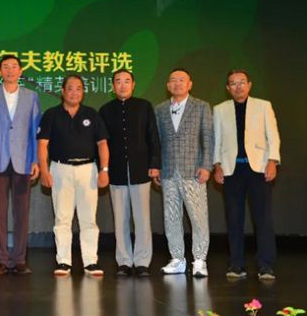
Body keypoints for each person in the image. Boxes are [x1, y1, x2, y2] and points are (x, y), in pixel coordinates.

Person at [37, 75, 110, 277]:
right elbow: (42, 145)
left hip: (88, 170)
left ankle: (91, 261)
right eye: (70, 88)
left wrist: (104, 170)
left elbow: (102, 144)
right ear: (63, 91)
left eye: (79, 88)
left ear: (83, 92)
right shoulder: (51, 114)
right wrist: (44, 170)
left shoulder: (91, 114)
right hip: (60, 169)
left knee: (89, 218)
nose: (74, 92)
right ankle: (63, 262)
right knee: (62, 218)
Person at [213, 70, 280, 280]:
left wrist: (273, 161)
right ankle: (236, 264)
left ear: (249, 85)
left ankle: (266, 265)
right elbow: (217, 140)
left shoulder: (263, 106)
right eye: (233, 83)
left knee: (263, 219)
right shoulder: (219, 109)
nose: (238, 86)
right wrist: (217, 165)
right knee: (234, 219)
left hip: (259, 169)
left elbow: (273, 136)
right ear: (228, 88)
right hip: (231, 170)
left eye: (242, 82)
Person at [0, 55, 41, 275]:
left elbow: (35, 131)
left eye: (14, 66)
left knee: (22, 213)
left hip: (23, 160)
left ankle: (20, 258)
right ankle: (2, 259)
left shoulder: (31, 96)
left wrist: (35, 160)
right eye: (6, 67)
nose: (10, 70)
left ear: (21, 71)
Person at [99, 69, 161, 277]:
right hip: (115, 171)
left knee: (142, 219)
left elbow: (153, 137)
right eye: (118, 81)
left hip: (140, 170)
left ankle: (142, 261)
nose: (122, 85)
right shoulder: (105, 110)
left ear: (133, 85)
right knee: (120, 219)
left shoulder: (144, 107)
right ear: (112, 86)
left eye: (127, 81)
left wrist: (155, 163)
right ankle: (124, 261)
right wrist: (103, 169)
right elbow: (101, 143)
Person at [154, 68, 213, 278]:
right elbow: (157, 141)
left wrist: (207, 166)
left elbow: (208, 138)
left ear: (190, 84)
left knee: (198, 217)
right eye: (173, 80)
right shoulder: (160, 109)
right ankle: (178, 259)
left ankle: (200, 260)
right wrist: (157, 166)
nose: (177, 83)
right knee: (171, 217)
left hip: (193, 171)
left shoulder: (201, 106)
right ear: (167, 85)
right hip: (169, 171)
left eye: (181, 80)